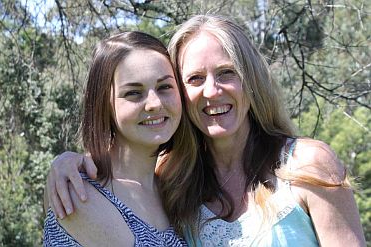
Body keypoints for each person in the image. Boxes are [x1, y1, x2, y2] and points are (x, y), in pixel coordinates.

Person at [45, 15, 366, 246]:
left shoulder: (305, 165)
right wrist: (69, 163)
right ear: (183, 92)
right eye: (195, 79)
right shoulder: (173, 180)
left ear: (250, 80)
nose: (212, 91)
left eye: (227, 73)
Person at [43, 31, 196, 246]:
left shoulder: (171, 189)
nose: (155, 103)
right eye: (133, 93)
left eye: (164, 87)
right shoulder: (80, 194)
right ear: (104, 103)